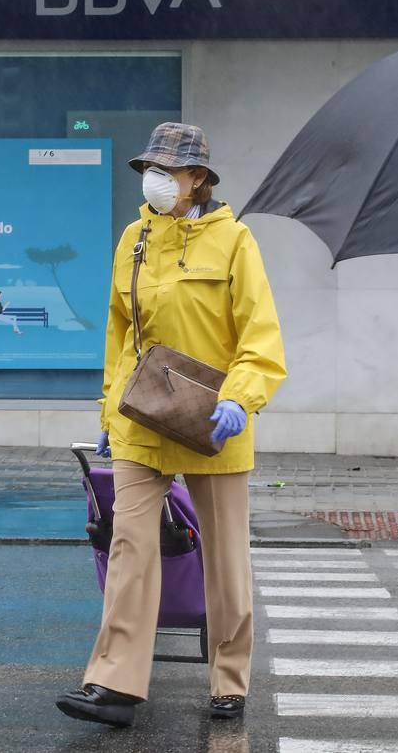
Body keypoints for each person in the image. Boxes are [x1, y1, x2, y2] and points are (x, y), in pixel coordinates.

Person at [56, 122, 286, 727]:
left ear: (198, 180)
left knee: (226, 558)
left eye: (168, 170)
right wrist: (110, 410)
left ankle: (229, 679)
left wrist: (241, 399)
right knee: (131, 545)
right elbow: (119, 336)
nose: (154, 180)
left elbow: (260, 337)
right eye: (150, 169)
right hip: (143, 420)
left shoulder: (235, 242)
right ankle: (115, 684)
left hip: (214, 421)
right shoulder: (133, 239)